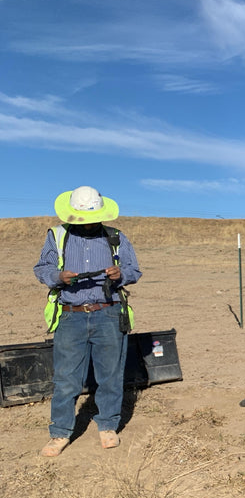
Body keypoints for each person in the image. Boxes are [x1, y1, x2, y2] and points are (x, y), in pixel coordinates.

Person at [33, 186, 141, 457]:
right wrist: (59, 277)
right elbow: (42, 268)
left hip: (108, 313)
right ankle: (60, 432)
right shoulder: (57, 236)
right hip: (71, 316)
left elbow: (134, 270)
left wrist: (120, 274)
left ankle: (107, 425)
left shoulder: (116, 238)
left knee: (110, 375)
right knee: (66, 378)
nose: (87, 223)